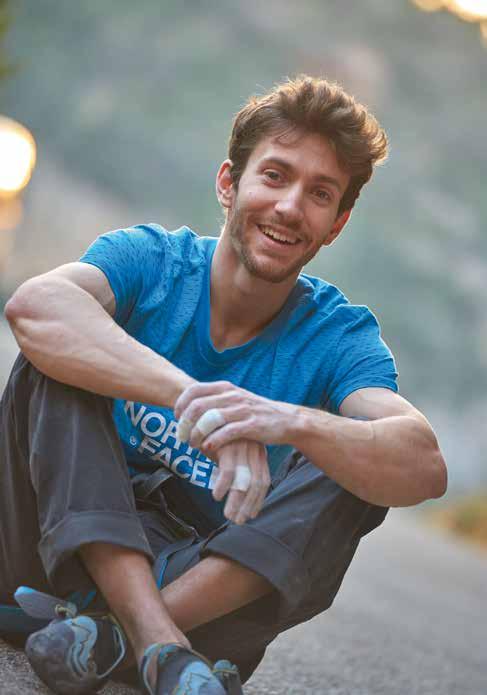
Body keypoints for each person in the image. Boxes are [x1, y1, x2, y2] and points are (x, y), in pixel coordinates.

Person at [1, 75, 447, 695]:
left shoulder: (337, 336)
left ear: (337, 223)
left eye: (320, 194)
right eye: (275, 176)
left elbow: (422, 463)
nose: (290, 207)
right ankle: (154, 645)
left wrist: (285, 421)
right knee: (58, 355)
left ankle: (109, 633)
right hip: (47, 542)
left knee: (359, 456)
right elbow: (35, 308)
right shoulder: (153, 260)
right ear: (229, 183)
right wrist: (202, 403)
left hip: (188, 578)